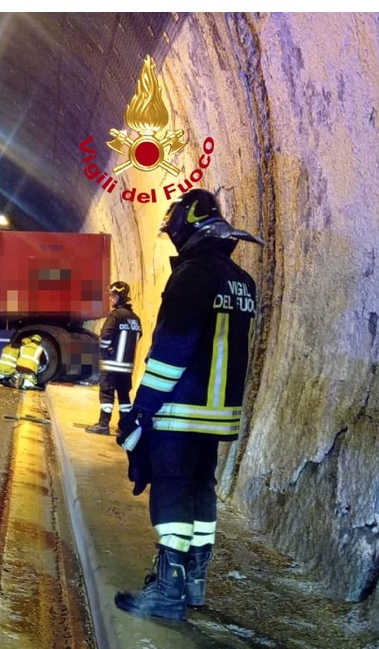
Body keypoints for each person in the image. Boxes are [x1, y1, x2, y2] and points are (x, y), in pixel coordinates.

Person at [114, 188, 261, 622]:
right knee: (201, 489)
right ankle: (194, 582)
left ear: (186, 228)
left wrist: (141, 410)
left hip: (180, 410)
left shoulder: (191, 277)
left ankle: (167, 590)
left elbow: (171, 351)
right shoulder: (242, 282)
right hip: (219, 415)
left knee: (173, 489)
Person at [85, 281, 142, 436]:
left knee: (106, 394)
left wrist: (105, 351)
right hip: (127, 368)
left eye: (113, 296)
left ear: (120, 297)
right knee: (124, 397)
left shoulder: (116, 316)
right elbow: (139, 336)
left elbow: (105, 336)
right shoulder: (135, 319)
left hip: (111, 365)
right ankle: (125, 427)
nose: (110, 299)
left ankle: (103, 424)